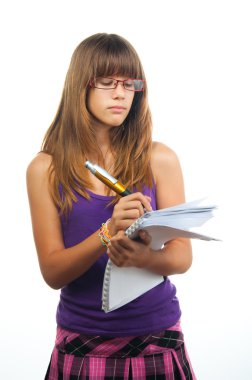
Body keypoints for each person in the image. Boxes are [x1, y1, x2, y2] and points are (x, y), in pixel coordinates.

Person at [26, 33, 196, 379]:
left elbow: (182, 258)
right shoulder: (44, 169)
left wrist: (142, 257)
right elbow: (52, 272)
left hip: (157, 339)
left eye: (129, 83)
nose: (121, 93)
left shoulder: (160, 159)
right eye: (106, 82)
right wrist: (108, 232)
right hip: (82, 343)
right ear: (81, 86)